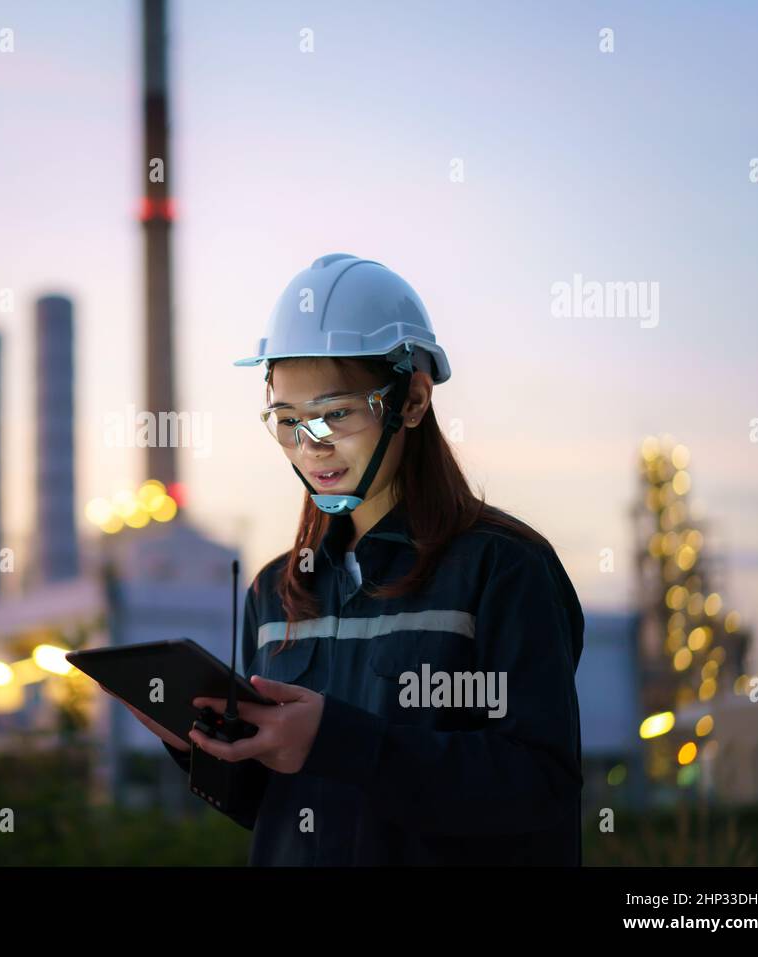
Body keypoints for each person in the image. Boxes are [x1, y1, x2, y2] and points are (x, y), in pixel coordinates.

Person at [110, 253, 585, 865]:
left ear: (412, 399)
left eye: (337, 413)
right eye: (288, 421)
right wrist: (194, 744)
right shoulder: (276, 593)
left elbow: (538, 790)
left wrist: (338, 741)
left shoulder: (502, 570)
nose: (314, 446)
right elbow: (274, 807)